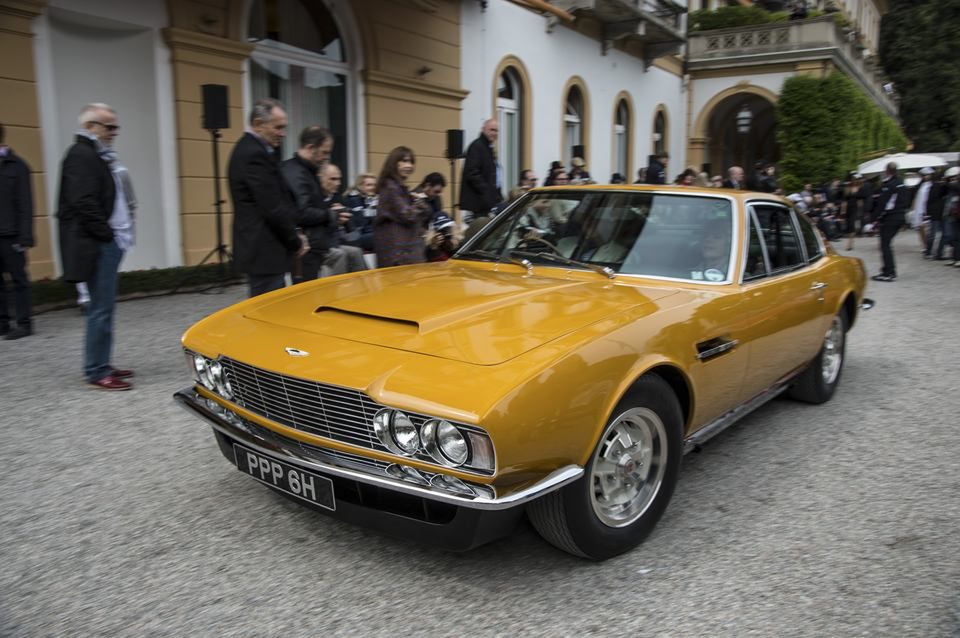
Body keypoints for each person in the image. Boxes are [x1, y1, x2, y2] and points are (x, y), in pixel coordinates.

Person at [56, 102, 136, 390]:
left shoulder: (94, 155)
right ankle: (97, 370)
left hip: (104, 242)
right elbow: (83, 202)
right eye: (109, 126)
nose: (115, 132)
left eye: (116, 126)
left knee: (104, 308)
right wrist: (106, 235)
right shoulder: (81, 155)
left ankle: (101, 362)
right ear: (90, 127)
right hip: (97, 244)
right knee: (100, 309)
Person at [228, 98, 308, 297]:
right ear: (258, 124)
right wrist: (295, 241)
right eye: (278, 127)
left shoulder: (254, 151)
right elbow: (272, 207)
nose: (283, 133)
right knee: (266, 314)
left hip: (265, 247)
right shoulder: (253, 154)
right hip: (264, 248)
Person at [280, 125, 346, 283]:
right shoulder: (296, 172)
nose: (326, 157)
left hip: (312, 248)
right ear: (310, 147)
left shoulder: (305, 170)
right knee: (305, 299)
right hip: (305, 251)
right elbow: (301, 212)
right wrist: (331, 215)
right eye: (324, 152)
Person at [0, 122, 34, 340]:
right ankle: (3, 323)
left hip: (11, 235)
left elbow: (25, 203)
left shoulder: (17, 165)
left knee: (19, 280)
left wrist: (25, 237)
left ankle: (24, 323)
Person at [374, 146, 432, 267]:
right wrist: (419, 203)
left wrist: (418, 204)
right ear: (394, 163)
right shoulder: (391, 188)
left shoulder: (399, 187)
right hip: (397, 251)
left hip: (404, 249)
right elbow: (407, 215)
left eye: (411, 162)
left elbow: (422, 213)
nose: (409, 165)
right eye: (404, 161)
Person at [317, 163, 367, 274]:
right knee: (340, 254)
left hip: (334, 242)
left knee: (356, 252)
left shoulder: (337, 198)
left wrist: (343, 222)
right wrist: (333, 219)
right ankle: (338, 289)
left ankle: (365, 288)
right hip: (318, 245)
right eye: (333, 179)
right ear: (320, 178)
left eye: (339, 179)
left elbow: (352, 235)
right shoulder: (315, 198)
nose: (338, 183)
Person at [458, 118, 503, 225]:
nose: (494, 133)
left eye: (496, 130)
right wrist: (486, 191)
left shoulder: (488, 147)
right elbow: (472, 172)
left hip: (487, 202)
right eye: (491, 130)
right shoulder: (477, 146)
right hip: (479, 203)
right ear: (483, 129)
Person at [871, 161, 908, 282]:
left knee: (885, 245)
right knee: (886, 244)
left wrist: (873, 219)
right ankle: (888, 270)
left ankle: (889, 272)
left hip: (891, 217)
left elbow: (884, 204)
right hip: (900, 215)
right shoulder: (901, 183)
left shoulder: (889, 185)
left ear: (886, 171)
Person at [342, 172, 378, 252]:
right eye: (369, 185)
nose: (373, 187)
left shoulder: (370, 199)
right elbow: (361, 224)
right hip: (355, 237)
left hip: (367, 234)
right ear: (360, 186)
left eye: (374, 185)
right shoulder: (354, 199)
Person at [910, 167, 935, 256]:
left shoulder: (931, 185)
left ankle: (928, 246)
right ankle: (924, 246)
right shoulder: (921, 186)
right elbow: (917, 198)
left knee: (925, 228)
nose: (925, 177)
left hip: (925, 209)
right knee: (920, 228)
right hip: (919, 209)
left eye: (926, 175)